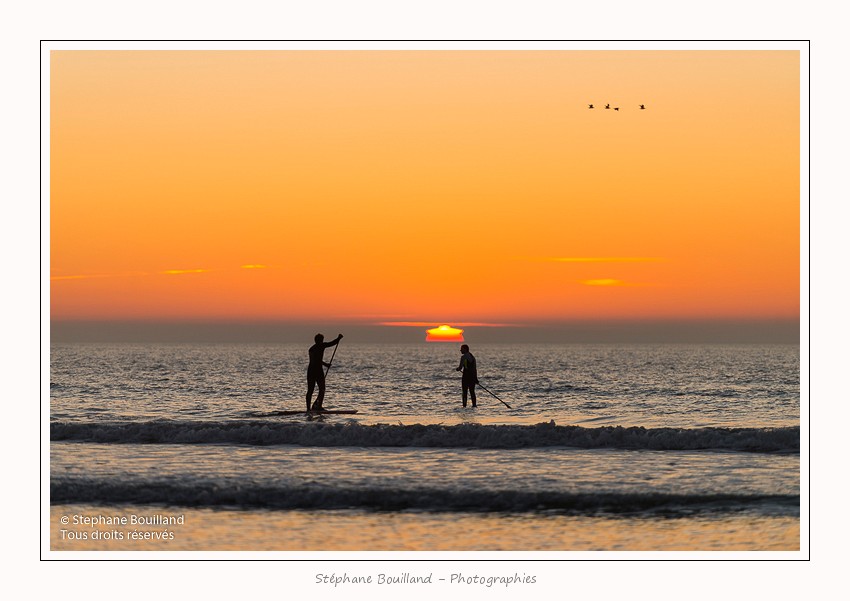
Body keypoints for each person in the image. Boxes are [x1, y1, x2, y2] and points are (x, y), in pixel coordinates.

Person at [306, 333, 343, 411]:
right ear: (320, 341)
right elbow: (331, 343)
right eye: (321, 340)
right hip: (317, 371)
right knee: (321, 389)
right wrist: (338, 338)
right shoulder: (321, 346)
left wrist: (338, 339)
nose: (322, 342)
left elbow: (316, 360)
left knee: (312, 390)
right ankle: (316, 407)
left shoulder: (311, 348)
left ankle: (311, 408)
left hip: (311, 371)